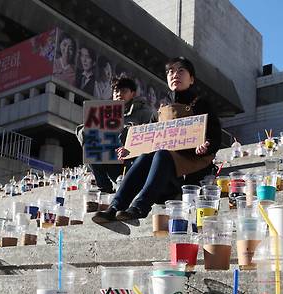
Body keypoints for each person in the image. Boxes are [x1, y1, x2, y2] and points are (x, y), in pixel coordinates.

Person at [92, 56, 222, 223]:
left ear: (191, 79)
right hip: (163, 173)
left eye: (181, 71)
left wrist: (207, 145)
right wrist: (129, 150)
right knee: (146, 156)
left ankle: (140, 207)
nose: (175, 75)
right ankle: (115, 207)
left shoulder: (202, 104)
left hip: (190, 170)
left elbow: (215, 136)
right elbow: (147, 139)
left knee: (161, 154)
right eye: (170, 72)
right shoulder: (160, 110)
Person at [76, 77, 157, 193]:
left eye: (123, 91)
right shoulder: (104, 113)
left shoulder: (144, 112)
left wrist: (128, 130)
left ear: (132, 94)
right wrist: (87, 130)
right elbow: (80, 130)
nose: (119, 94)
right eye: (116, 91)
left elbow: (150, 137)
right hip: (111, 161)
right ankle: (104, 188)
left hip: (133, 161)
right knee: (91, 141)